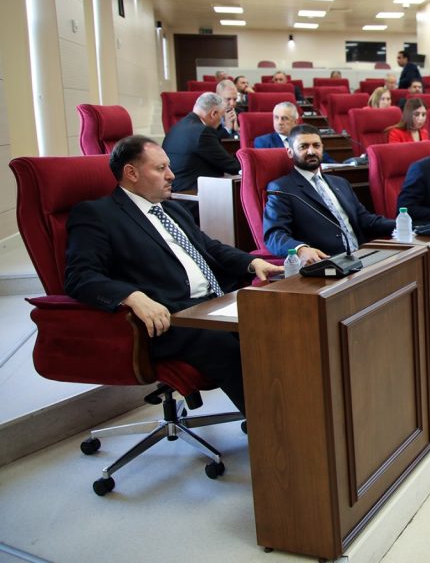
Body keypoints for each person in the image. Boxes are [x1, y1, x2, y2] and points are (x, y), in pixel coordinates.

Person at [64, 136, 283, 415]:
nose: (171, 175)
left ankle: (298, 416)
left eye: (168, 166)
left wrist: (252, 263)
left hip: (213, 304)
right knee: (229, 344)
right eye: (161, 168)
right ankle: (272, 429)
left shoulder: (172, 208)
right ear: (131, 173)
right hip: (171, 317)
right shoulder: (98, 214)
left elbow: (209, 247)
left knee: (279, 323)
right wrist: (132, 297)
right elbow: (80, 276)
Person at [263, 125, 394, 263]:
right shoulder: (282, 188)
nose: (311, 151)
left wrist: (401, 224)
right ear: (290, 152)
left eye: (316, 146)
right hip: (327, 263)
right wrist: (300, 249)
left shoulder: (341, 183)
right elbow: (274, 235)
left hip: (362, 257)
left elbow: (365, 220)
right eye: (303, 146)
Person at [162, 92, 240, 218]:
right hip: (194, 198)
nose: (221, 122)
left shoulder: (178, 127)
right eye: (221, 117)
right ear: (214, 113)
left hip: (176, 194)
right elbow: (231, 166)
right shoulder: (203, 132)